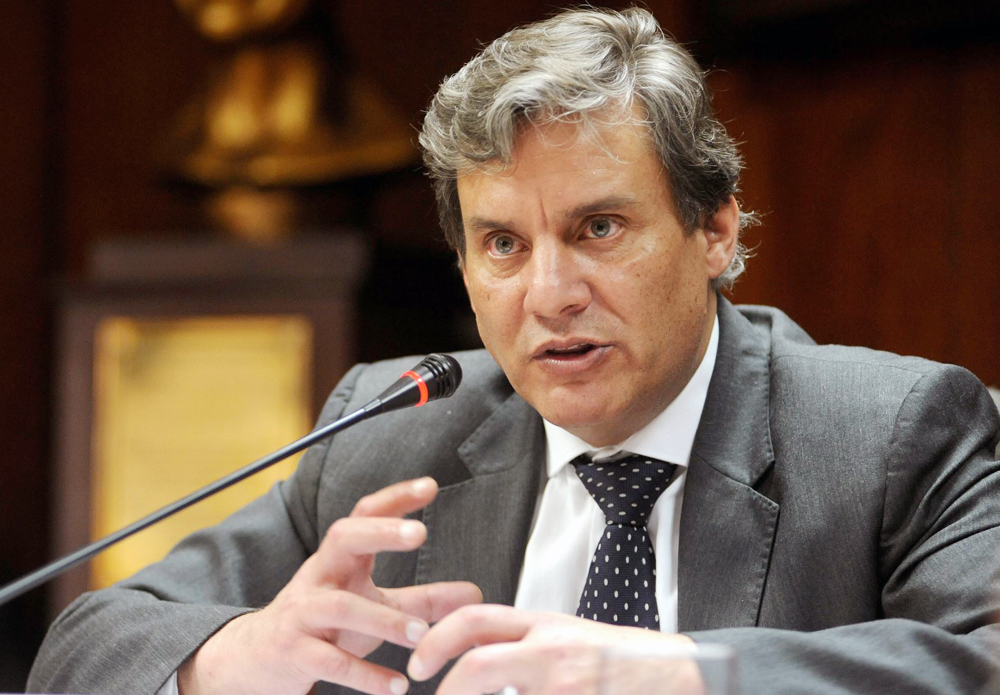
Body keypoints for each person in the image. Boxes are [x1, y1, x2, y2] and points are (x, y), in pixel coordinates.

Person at [28, 7, 1000, 695]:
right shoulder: (387, 440)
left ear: (714, 229)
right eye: (502, 243)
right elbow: (86, 647)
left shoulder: (888, 435)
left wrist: (675, 672)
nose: (549, 292)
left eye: (598, 227)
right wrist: (238, 653)